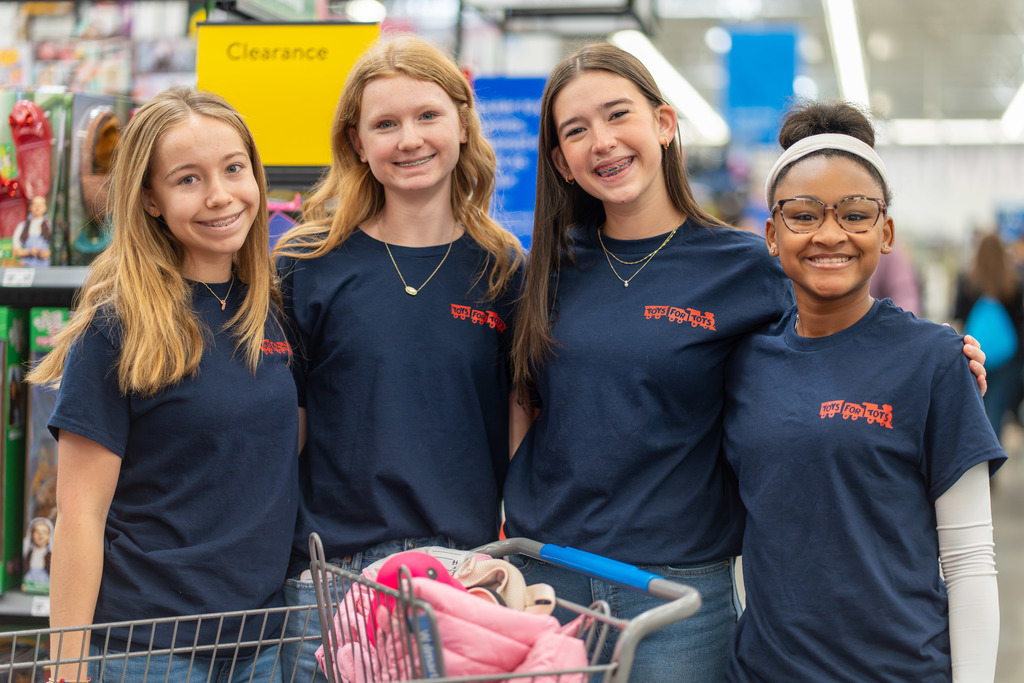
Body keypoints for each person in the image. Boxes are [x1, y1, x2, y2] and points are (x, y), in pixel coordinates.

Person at [504, 43, 989, 682]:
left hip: (675, 596)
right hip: (548, 583)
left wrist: (943, 358)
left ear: (665, 124)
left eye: (618, 114)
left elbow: (839, 337)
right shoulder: (541, 271)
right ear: (561, 162)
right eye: (576, 130)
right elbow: (522, 404)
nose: (602, 141)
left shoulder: (746, 268)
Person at [723, 100, 1004, 682]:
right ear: (772, 235)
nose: (830, 234)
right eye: (803, 215)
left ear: (887, 231)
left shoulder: (932, 360)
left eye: (855, 214)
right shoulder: (742, 360)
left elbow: (970, 559)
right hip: (762, 670)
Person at [26, 86, 299, 683]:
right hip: (149, 649)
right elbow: (80, 516)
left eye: (234, 169)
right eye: (188, 180)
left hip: (262, 644)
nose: (220, 196)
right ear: (150, 199)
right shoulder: (118, 324)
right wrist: (65, 669)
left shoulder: (271, 310)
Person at [273, 34, 524, 681]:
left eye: (427, 116)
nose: (408, 138)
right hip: (331, 579)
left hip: (460, 574)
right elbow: (283, 429)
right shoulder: (307, 264)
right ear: (358, 143)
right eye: (385, 123)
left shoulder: (504, 270)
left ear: (462, 124)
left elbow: (521, 422)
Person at [954, 231, 1024, 442]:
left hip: (974, 355)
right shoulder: (1014, 284)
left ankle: (980, 463)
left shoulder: (967, 281)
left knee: (978, 410)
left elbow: (959, 317)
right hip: (1008, 360)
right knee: (998, 410)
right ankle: (994, 463)